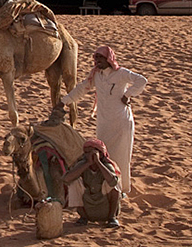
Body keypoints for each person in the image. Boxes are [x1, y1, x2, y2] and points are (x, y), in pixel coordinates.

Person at [60, 45, 147, 195]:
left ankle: (122, 189)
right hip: (104, 122)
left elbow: (141, 80)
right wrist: (63, 101)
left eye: (101, 58)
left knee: (121, 156)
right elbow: (81, 89)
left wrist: (128, 95)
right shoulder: (96, 76)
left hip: (121, 121)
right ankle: (107, 187)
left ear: (109, 59)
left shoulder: (121, 74)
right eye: (96, 58)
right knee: (104, 154)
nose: (98, 61)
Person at [64, 139, 122, 227]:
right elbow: (67, 179)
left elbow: (113, 182)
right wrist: (88, 163)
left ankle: (112, 218)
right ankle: (83, 218)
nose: (88, 155)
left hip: (105, 207)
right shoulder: (82, 164)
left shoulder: (107, 166)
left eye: (91, 152)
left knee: (115, 184)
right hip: (88, 206)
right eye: (86, 153)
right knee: (74, 183)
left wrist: (98, 163)